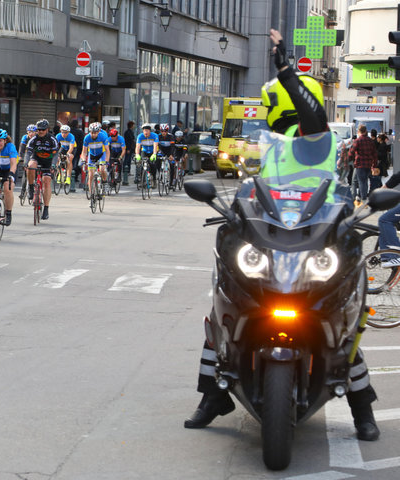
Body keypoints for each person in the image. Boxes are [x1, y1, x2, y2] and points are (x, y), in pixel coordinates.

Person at [184, 28, 381, 443]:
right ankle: (213, 397)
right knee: (221, 316)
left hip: (317, 235)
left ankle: (362, 407)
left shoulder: (316, 140)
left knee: (342, 323)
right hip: (275, 235)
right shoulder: (270, 146)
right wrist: (233, 215)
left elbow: (312, 122)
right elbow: (251, 188)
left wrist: (285, 68)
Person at [26, 119, 59, 220]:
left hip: (48, 161)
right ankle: (31, 187)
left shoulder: (52, 139)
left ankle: (46, 208)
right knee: (31, 165)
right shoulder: (34, 139)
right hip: (37, 159)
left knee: (46, 181)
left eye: (43, 130)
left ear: (47, 130)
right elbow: (28, 152)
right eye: (39, 129)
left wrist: (53, 165)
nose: (40, 131)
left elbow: (56, 154)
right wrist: (25, 163)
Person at [349, 124, 377, 203]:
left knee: (360, 182)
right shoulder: (370, 141)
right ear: (365, 131)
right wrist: (374, 165)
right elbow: (375, 154)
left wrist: (347, 161)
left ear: (359, 131)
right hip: (368, 165)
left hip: (359, 164)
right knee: (364, 181)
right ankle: (360, 196)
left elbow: (351, 152)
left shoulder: (357, 141)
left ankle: (362, 199)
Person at [80, 122, 110, 192]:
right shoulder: (87, 138)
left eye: (95, 133)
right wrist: (84, 161)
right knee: (91, 174)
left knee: (102, 169)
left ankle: (105, 182)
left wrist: (107, 161)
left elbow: (107, 150)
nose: (93, 134)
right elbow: (84, 152)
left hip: (101, 154)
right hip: (92, 155)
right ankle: (91, 193)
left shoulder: (103, 136)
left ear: (98, 132)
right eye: (92, 132)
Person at [17, 124, 37, 194]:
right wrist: (20, 157)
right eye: (29, 132)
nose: (31, 134)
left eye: (32, 132)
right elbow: (21, 148)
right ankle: (23, 191)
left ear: (36, 132)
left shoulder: (37, 138)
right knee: (26, 173)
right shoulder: (25, 137)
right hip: (27, 154)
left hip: (35, 154)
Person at [70, 120, 86, 192]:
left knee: (70, 162)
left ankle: (69, 176)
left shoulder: (69, 131)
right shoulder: (79, 132)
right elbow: (82, 141)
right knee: (76, 163)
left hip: (70, 149)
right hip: (78, 149)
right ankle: (74, 176)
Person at [123, 121, 136, 185]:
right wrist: (128, 148)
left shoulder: (128, 132)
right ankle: (126, 170)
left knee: (129, 159)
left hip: (130, 148)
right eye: (133, 125)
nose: (134, 126)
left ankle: (127, 170)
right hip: (129, 148)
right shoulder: (128, 132)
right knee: (127, 159)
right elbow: (128, 141)